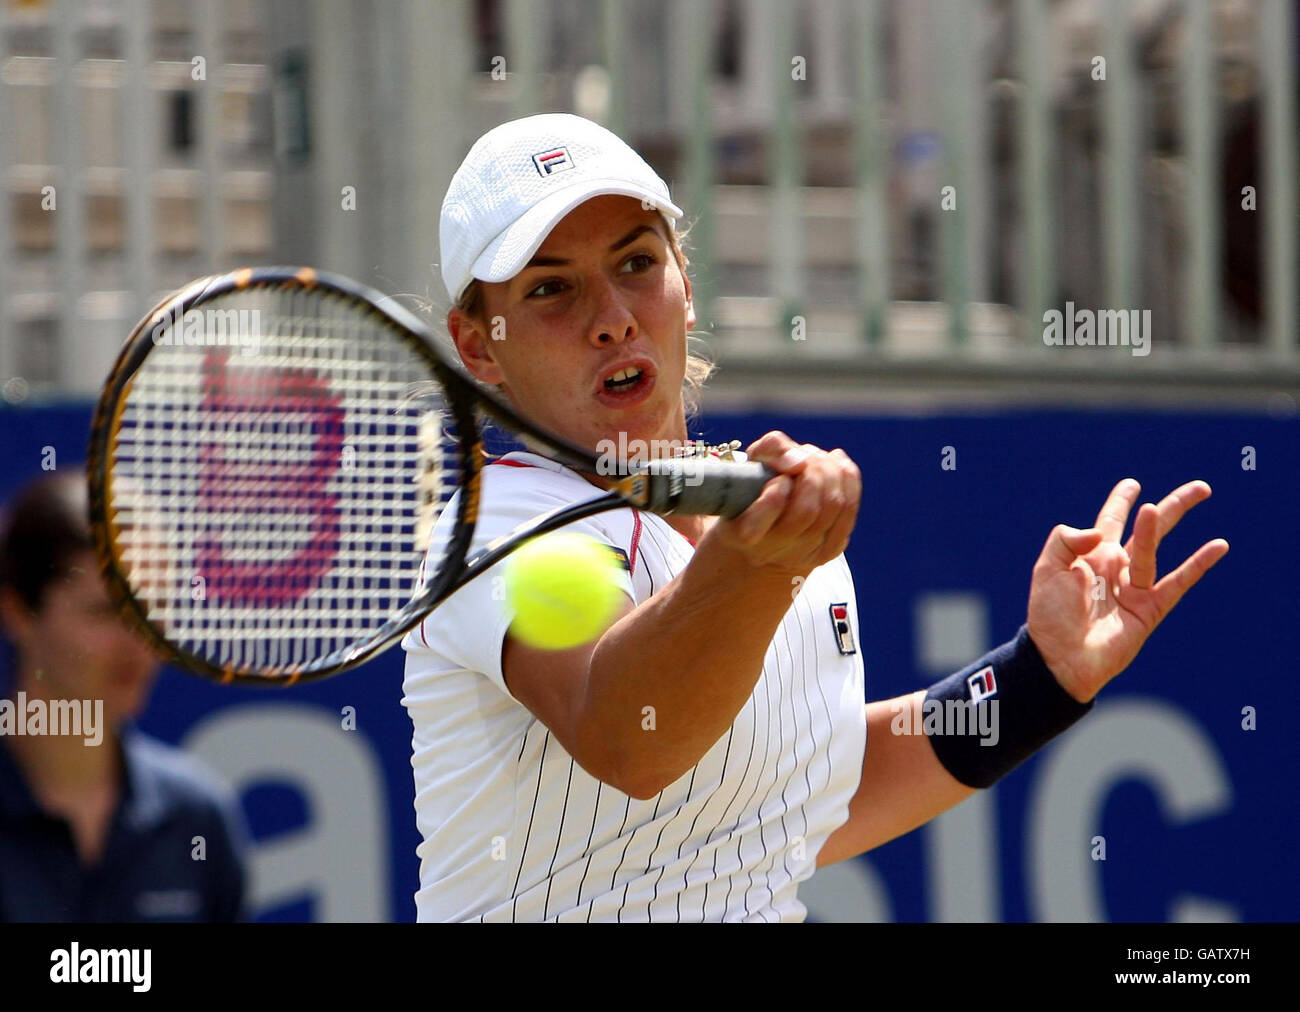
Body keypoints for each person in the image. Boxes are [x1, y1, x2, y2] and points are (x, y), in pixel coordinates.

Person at [401, 113, 1229, 922]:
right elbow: (631, 739)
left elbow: (796, 802)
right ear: (478, 347)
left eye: (637, 262)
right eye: (551, 288)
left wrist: (1039, 677)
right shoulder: (492, 528)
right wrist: (759, 564)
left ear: (686, 284)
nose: (612, 315)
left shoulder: (768, 525)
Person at [0, 472, 248, 922]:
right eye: (107, 612)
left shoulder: (199, 818)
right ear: (17, 610)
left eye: (152, 610)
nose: (139, 644)